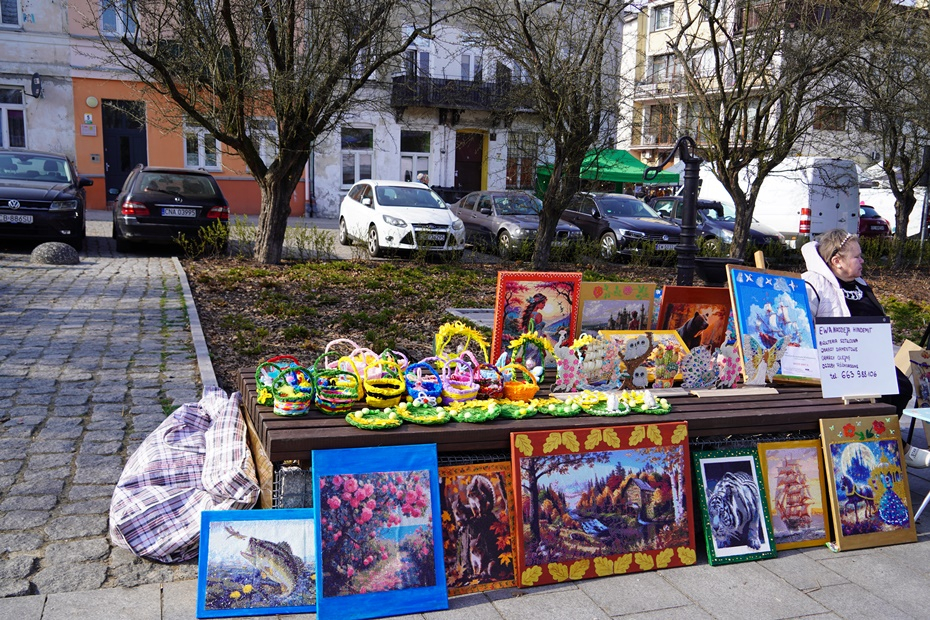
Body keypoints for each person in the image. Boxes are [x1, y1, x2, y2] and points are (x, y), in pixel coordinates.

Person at [802, 228, 928, 468]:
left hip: (868, 360)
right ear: (837, 261)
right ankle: (895, 446)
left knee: (901, 387)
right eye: (857, 257)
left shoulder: (859, 284)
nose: (862, 261)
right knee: (885, 392)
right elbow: (803, 328)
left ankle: (887, 442)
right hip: (835, 364)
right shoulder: (813, 283)